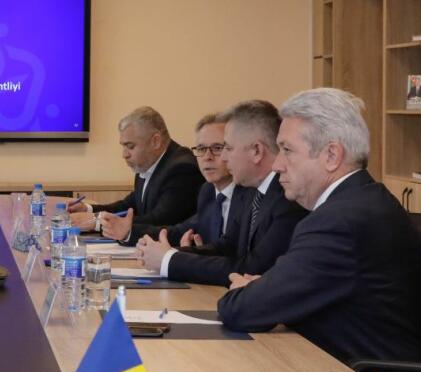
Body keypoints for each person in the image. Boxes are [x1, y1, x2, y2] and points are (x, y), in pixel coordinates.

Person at [216, 88, 421, 372]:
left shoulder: (339, 222)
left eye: (287, 150)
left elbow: (241, 310)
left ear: (331, 155)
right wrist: (265, 290)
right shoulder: (362, 201)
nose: (277, 164)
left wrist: (247, 292)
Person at [136, 100, 306, 287]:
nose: (224, 157)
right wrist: (169, 254)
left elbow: (251, 268)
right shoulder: (253, 192)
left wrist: (170, 260)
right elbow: (227, 247)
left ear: (257, 151)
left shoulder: (288, 198)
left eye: (228, 148)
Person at [69, 106, 203, 243]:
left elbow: (160, 221)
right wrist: (88, 209)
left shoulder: (182, 169)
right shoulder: (148, 163)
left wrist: (98, 222)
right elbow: (129, 206)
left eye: (130, 146)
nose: (124, 155)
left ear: (156, 141)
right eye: (123, 146)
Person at [127, 111, 243, 248]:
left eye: (217, 148)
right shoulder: (208, 191)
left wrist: (185, 255)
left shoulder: (249, 198)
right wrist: (128, 233)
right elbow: (180, 232)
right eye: (201, 149)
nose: (207, 157)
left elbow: (236, 256)